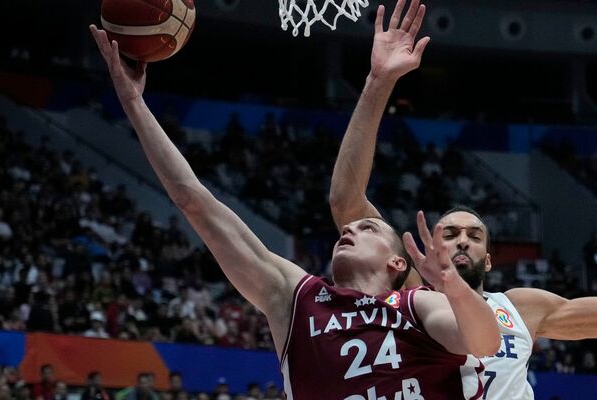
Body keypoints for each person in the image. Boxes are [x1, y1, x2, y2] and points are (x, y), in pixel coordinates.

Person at [327, 0, 597, 398]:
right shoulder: (410, 295)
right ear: (428, 247)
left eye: (474, 235)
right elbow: (347, 203)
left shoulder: (520, 307)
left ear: (488, 259)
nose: (462, 239)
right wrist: (378, 84)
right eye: (449, 233)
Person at [89, 17, 499, 399]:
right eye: (349, 229)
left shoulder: (416, 304)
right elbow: (194, 201)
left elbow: (484, 342)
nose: (350, 229)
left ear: (397, 263)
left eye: (368, 229)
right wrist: (132, 102)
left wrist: (454, 288)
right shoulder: (297, 297)